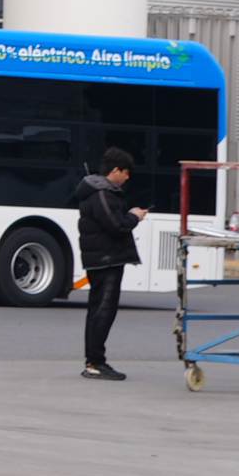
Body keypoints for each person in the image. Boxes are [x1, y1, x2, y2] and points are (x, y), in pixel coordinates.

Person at [74, 148, 149, 380]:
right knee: (103, 311)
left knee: (99, 310)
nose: (127, 177)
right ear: (116, 170)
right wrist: (134, 216)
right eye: (126, 172)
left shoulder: (99, 192)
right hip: (106, 261)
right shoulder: (102, 194)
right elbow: (117, 226)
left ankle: (94, 361)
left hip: (103, 259)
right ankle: (95, 363)